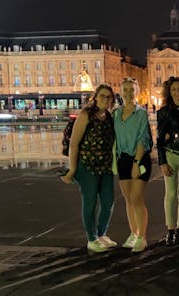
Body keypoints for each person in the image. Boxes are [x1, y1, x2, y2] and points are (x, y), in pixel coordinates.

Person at [60, 84, 116, 253]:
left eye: (108, 97)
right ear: (95, 97)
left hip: (105, 167)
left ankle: (101, 234)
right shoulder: (85, 115)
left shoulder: (108, 116)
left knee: (108, 202)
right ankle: (91, 239)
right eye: (102, 96)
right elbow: (74, 144)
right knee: (90, 203)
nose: (105, 99)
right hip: (87, 167)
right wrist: (72, 169)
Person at [113, 78, 153, 253]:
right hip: (123, 159)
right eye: (126, 90)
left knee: (137, 198)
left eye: (132, 90)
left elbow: (143, 139)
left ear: (137, 92)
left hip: (139, 159)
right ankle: (133, 232)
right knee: (128, 199)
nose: (129, 93)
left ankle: (142, 237)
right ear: (121, 92)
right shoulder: (116, 114)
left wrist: (136, 163)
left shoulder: (141, 113)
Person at [156, 76, 179, 246]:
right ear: (169, 93)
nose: (178, 92)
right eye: (174, 90)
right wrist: (162, 162)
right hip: (170, 154)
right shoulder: (163, 112)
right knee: (170, 194)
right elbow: (159, 140)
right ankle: (170, 230)